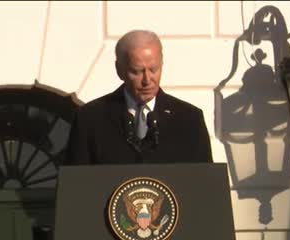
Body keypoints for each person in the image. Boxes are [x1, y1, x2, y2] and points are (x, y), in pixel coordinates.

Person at [64, 30, 212, 165]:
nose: (147, 80)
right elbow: (76, 185)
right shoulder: (89, 119)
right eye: (137, 72)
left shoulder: (189, 119)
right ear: (119, 70)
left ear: (162, 64)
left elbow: (205, 184)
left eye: (153, 69)